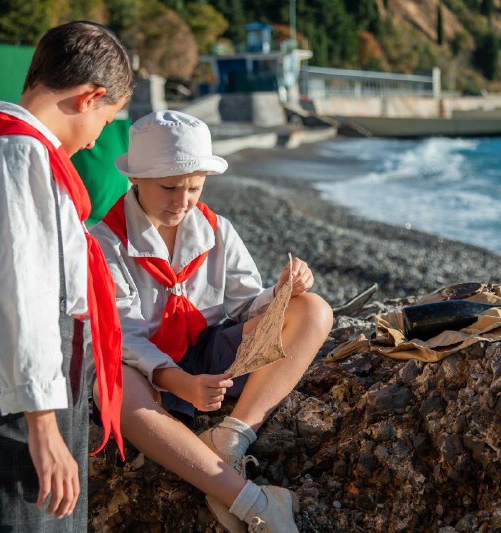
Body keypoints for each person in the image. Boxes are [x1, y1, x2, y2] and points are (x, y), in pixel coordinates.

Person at [91, 110, 334, 532]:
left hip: (210, 354)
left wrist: (281, 295)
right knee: (111, 385)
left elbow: (243, 307)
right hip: (149, 376)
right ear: (136, 179)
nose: (182, 201)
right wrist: (177, 382)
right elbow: (121, 336)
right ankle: (251, 502)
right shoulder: (104, 243)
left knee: (313, 309)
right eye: (169, 187)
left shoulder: (216, 230)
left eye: (195, 187)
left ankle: (231, 437)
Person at [0, 22, 132, 531]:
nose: (97, 140)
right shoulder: (17, 154)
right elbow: (18, 296)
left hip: (35, 381)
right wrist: (42, 424)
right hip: (18, 387)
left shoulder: (26, 152)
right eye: (107, 118)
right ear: (89, 97)